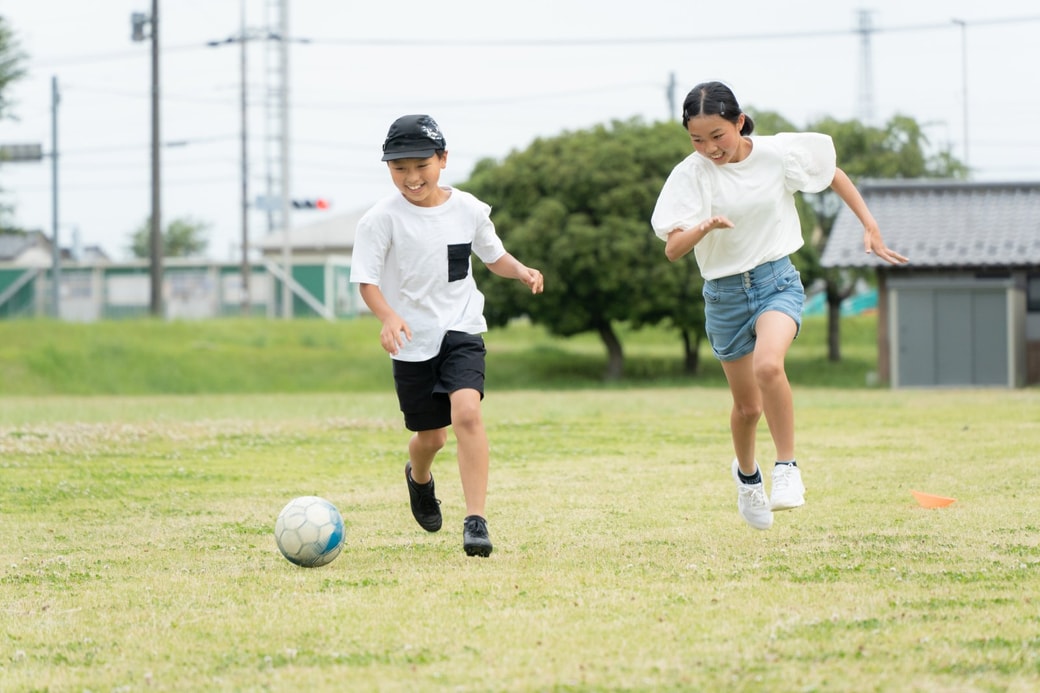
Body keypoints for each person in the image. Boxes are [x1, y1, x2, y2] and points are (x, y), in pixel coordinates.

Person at [651, 82, 907, 530]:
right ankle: (747, 477)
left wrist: (870, 225)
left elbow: (834, 175)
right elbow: (673, 250)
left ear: (739, 121)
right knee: (747, 408)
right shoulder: (690, 175)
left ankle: (786, 469)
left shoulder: (777, 155)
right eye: (697, 139)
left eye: (718, 135)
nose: (709, 147)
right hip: (725, 296)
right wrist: (704, 227)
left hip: (776, 282)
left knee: (770, 367)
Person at [350, 114, 544, 556]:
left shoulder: (469, 210)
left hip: (462, 327)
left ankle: (475, 520)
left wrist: (521, 271)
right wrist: (387, 317)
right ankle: (418, 478)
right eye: (399, 169)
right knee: (431, 437)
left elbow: (494, 256)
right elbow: (367, 280)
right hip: (412, 340)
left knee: (467, 416)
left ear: (443, 159)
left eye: (421, 165)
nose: (411, 177)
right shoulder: (380, 220)